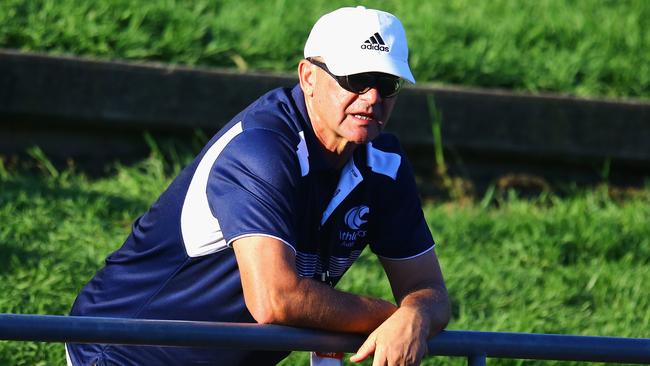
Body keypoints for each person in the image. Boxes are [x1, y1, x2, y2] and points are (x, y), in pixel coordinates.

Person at [66, 6, 450, 366]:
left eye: (387, 83)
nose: (372, 98)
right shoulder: (260, 148)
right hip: (122, 354)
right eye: (356, 79)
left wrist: (416, 312)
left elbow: (428, 288)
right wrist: (395, 316)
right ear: (308, 77)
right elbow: (275, 299)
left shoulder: (385, 163)